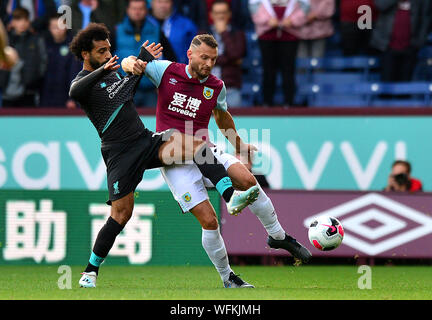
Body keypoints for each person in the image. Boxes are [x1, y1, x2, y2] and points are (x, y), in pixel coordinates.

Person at [68, 23, 259, 288]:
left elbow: (126, 93)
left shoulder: (111, 75)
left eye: (108, 49)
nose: (107, 54)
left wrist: (139, 64)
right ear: (85, 55)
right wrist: (114, 67)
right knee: (121, 215)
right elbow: (74, 92)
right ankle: (90, 271)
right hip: (119, 153)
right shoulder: (83, 82)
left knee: (196, 144)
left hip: (144, 140)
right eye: (101, 51)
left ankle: (230, 197)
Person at [121, 33, 311, 288]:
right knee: (210, 221)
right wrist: (130, 63)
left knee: (248, 180)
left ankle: (277, 235)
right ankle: (228, 277)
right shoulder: (166, 71)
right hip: (175, 159)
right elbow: (130, 61)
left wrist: (240, 145)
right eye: (204, 58)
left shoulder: (216, 85)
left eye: (213, 59)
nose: (209, 64)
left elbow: (222, 117)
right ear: (190, 54)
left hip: (205, 151)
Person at [115, 0, 176, 107]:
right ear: (128, 10)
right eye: (134, 9)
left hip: (151, 91)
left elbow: (172, 60)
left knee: (153, 122)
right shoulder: (116, 31)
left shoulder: (157, 31)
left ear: (146, 10)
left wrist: (165, 85)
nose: (137, 12)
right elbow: (106, 60)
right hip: (124, 90)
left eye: (140, 9)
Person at [249, 0, 308, 107]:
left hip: (290, 35)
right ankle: (267, 102)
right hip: (266, 35)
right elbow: (253, 7)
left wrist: (292, 20)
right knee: (268, 70)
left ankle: (289, 102)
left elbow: (305, 7)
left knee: (288, 69)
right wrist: (267, 20)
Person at [370, 0, 431, 82]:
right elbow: (379, 5)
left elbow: (425, 19)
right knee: (386, 84)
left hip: (411, 48)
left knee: (405, 85)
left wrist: (419, 42)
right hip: (386, 47)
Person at [0, 7, 47, 107]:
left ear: (29, 22)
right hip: (6, 93)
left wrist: (32, 81)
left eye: (25, 19)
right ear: (12, 22)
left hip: (28, 93)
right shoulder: (5, 40)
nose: (22, 23)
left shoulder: (36, 40)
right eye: (18, 19)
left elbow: (43, 64)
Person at [209, 0, 246, 107]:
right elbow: (201, 59)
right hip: (206, 88)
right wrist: (231, 60)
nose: (220, 16)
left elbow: (236, 55)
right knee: (202, 122)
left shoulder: (238, 34)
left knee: (234, 123)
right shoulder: (203, 33)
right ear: (211, 15)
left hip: (230, 89)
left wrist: (223, 33)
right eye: (217, 13)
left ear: (229, 14)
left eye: (223, 12)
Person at [40, 14, 81, 108]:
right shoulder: (44, 45)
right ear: (49, 28)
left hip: (65, 98)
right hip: (46, 96)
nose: (57, 30)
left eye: (60, 26)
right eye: (54, 27)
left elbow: (74, 74)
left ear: (66, 27)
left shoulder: (73, 47)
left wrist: (72, 98)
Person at [150, 0, 198, 64]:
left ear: (172, 3)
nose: (163, 5)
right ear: (151, 3)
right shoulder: (142, 23)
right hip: (147, 71)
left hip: (179, 70)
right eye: (159, 1)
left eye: (166, 2)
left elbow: (195, 52)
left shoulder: (186, 25)